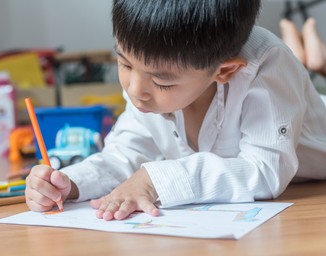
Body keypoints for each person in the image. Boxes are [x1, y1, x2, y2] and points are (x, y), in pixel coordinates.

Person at [25, 0, 326, 221]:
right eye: (124, 63)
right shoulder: (148, 81)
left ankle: (307, 50)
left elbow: (264, 171)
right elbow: (125, 154)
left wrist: (155, 179)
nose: (133, 89)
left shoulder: (265, 65)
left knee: (300, 67)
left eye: (161, 82)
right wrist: (69, 183)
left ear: (224, 71)